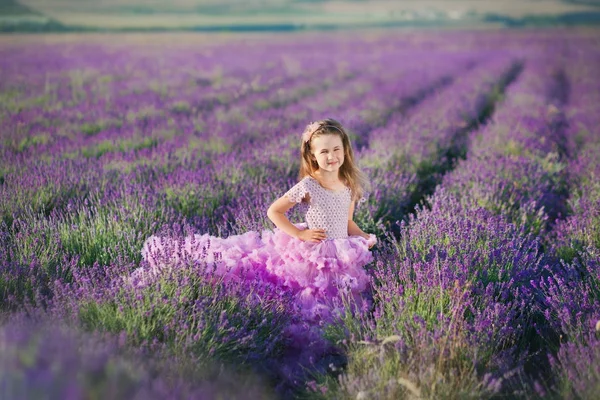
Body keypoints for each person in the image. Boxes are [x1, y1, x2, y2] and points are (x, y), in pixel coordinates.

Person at [135, 118, 376, 322]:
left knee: (339, 294)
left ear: (345, 150)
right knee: (310, 291)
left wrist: (364, 237)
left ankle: (337, 327)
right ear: (312, 156)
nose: (332, 156)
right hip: (314, 249)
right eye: (324, 151)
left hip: (340, 250)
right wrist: (300, 234)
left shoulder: (348, 185)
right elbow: (274, 211)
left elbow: (347, 223)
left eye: (336, 149)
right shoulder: (309, 184)